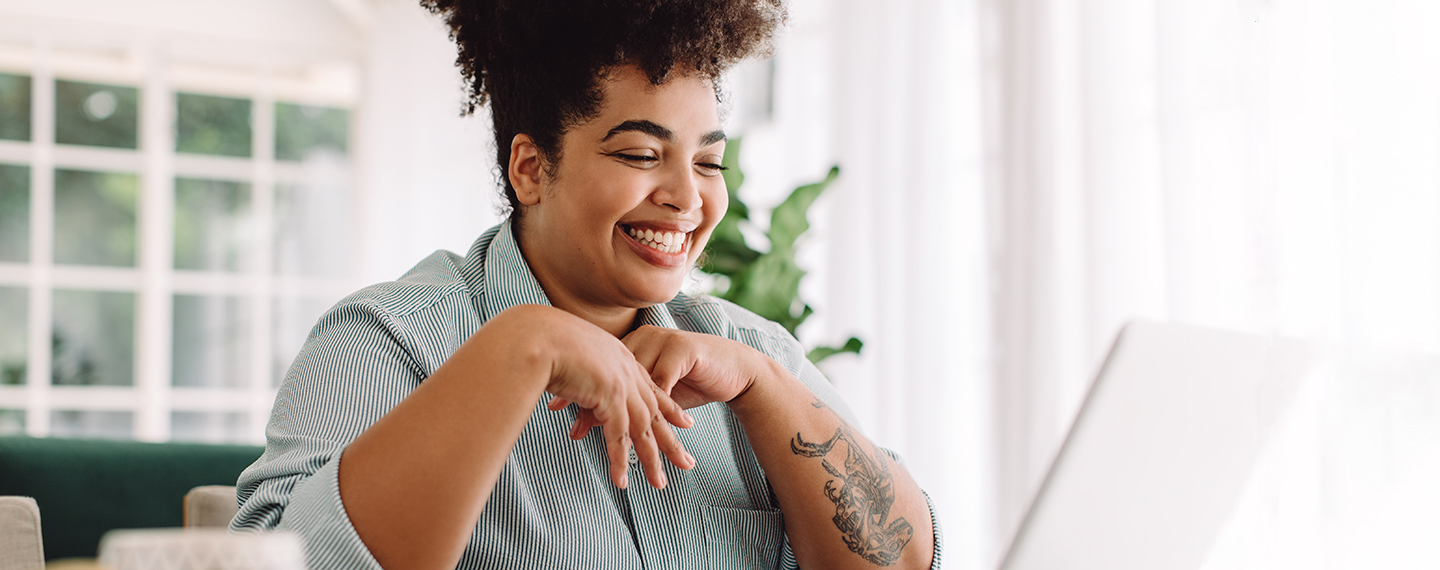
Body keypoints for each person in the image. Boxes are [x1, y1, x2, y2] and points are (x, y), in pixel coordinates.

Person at [232, 1, 941, 569]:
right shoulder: (385, 342)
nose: (686, 197)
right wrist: (520, 346)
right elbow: (277, 561)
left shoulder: (749, 354)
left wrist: (764, 389)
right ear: (531, 169)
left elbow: (902, 561)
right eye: (640, 153)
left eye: (708, 162)